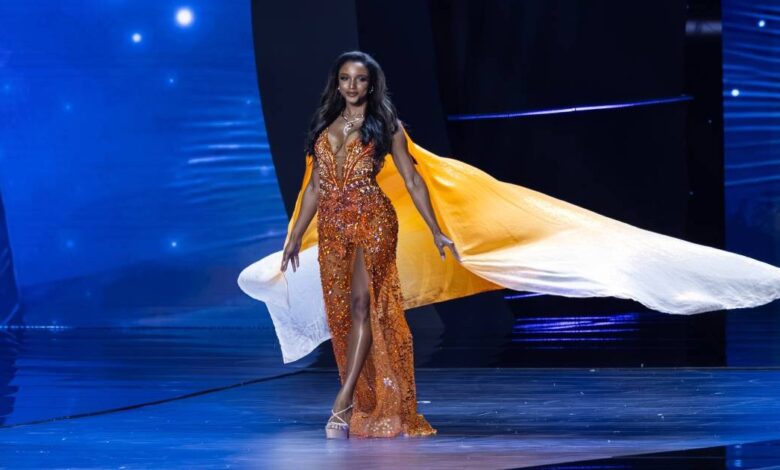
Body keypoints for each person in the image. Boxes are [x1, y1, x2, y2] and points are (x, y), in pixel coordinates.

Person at [238, 50, 780, 440]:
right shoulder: (322, 129)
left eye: (360, 79)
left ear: (371, 85)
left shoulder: (387, 128)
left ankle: (340, 406)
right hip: (332, 229)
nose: (352, 86)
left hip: (375, 225)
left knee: (364, 307)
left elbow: (417, 180)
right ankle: (364, 400)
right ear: (336, 84)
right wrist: (291, 239)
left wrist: (434, 227)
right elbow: (313, 188)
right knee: (342, 311)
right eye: (345, 79)